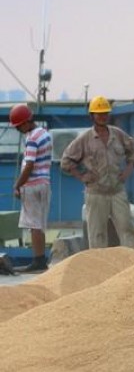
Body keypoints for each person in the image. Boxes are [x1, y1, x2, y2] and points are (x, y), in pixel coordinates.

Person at [60, 95, 134, 249]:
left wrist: (127, 171)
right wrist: (82, 177)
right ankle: (99, 269)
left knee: (127, 230)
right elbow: (66, 161)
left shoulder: (118, 134)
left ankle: (133, 264)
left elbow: (133, 151)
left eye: (105, 113)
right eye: (99, 113)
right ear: (92, 116)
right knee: (97, 235)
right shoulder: (84, 139)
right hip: (96, 193)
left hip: (117, 191)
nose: (103, 116)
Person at [9, 104, 52, 273]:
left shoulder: (32, 138)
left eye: (18, 126)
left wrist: (17, 185)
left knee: (33, 225)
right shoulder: (45, 134)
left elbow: (29, 165)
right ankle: (41, 260)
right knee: (39, 225)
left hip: (32, 186)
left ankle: (38, 261)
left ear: (26, 122)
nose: (19, 129)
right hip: (44, 183)